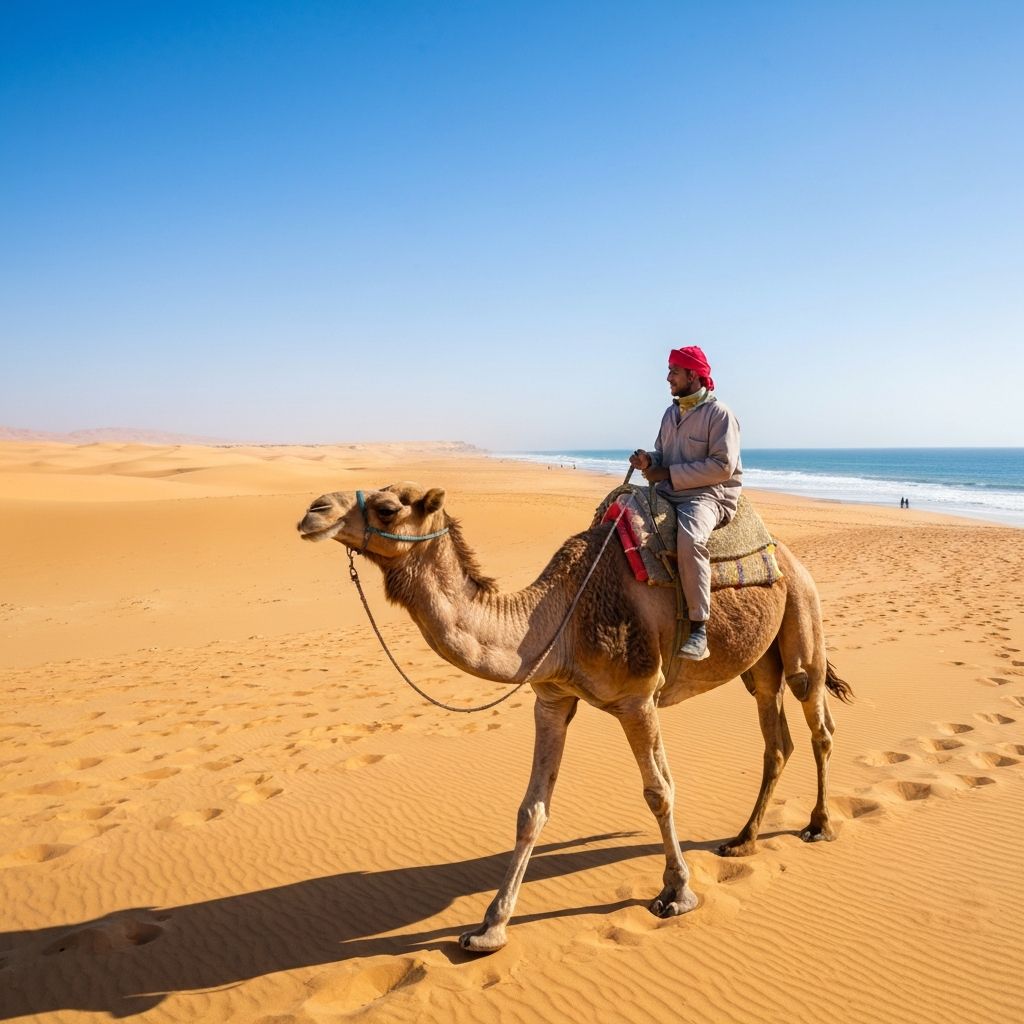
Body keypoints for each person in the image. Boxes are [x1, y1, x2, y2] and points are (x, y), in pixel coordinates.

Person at [629, 346, 743, 660]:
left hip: (708, 495)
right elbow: (661, 454)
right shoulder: (670, 414)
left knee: (690, 541)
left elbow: (722, 467)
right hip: (669, 490)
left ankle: (698, 628)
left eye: (674, 371)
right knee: (622, 515)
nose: (668, 378)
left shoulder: (720, 415)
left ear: (692, 375)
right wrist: (648, 460)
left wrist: (667, 472)